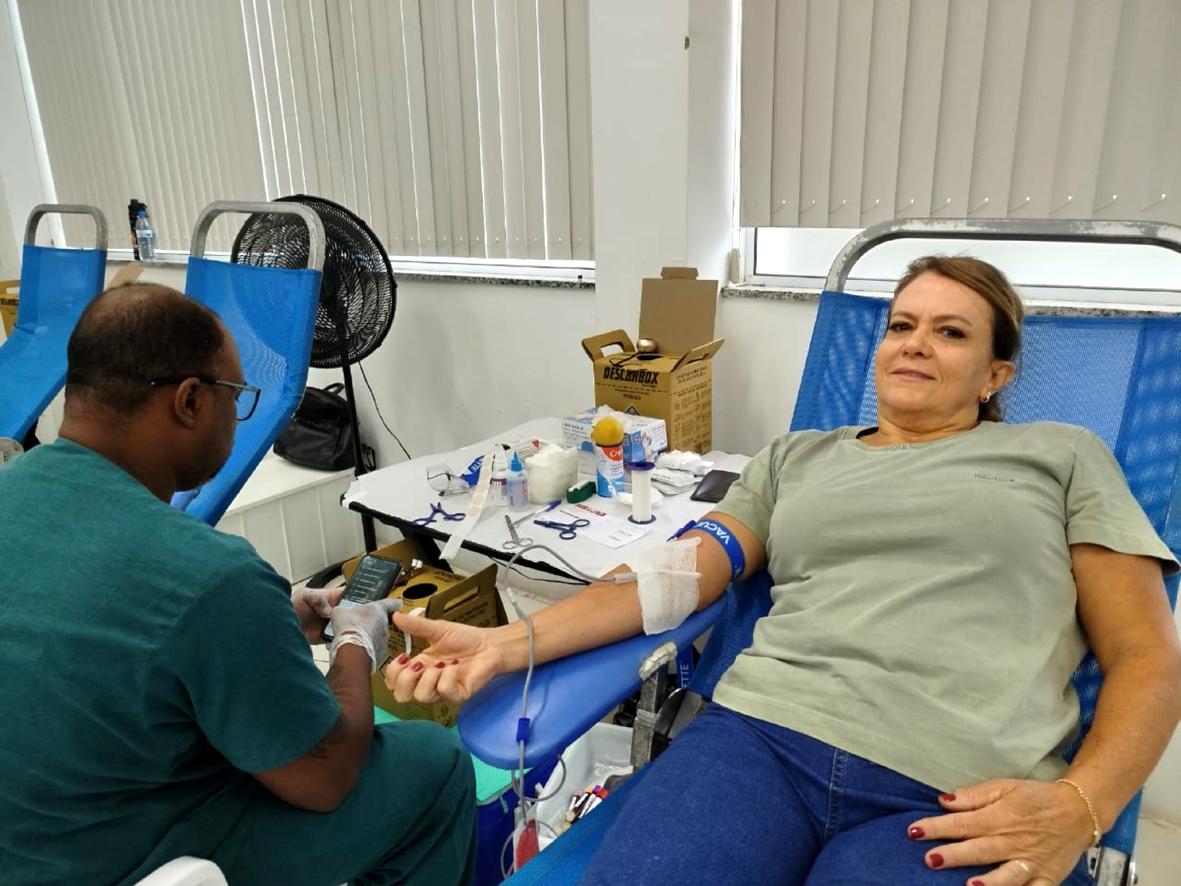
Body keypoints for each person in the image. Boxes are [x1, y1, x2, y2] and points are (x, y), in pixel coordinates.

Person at [387, 256, 1181, 886]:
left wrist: (1082, 806)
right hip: (760, 745)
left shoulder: (1060, 456)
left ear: (994, 375)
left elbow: (1145, 655)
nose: (913, 341)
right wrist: (509, 643)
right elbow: (673, 576)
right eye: (901, 324)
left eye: (949, 332)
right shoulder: (796, 457)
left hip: (962, 788)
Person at [0, 283, 476, 885]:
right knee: (430, 763)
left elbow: (90, 621)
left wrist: (274, 616)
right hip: (119, 859)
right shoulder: (208, 575)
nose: (238, 413)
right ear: (191, 401)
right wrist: (355, 642)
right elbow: (325, 778)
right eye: (238, 396)